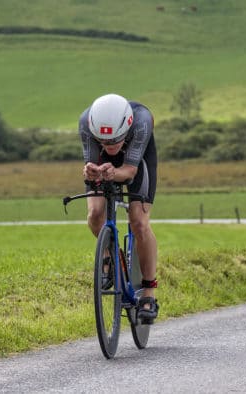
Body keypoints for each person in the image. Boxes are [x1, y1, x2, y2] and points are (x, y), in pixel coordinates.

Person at [79, 93, 159, 323]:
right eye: (104, 142)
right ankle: (110, 256)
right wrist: (91, 171)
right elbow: (90, 162)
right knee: (95, 214)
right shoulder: (86, 122)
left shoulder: (143, 120)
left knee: (139, 222)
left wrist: (115, 173)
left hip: (137, 164)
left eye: (115, 140)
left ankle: (149, 292)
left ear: (127, 128)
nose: (110, 146)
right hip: (103, 166)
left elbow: (130, 171)